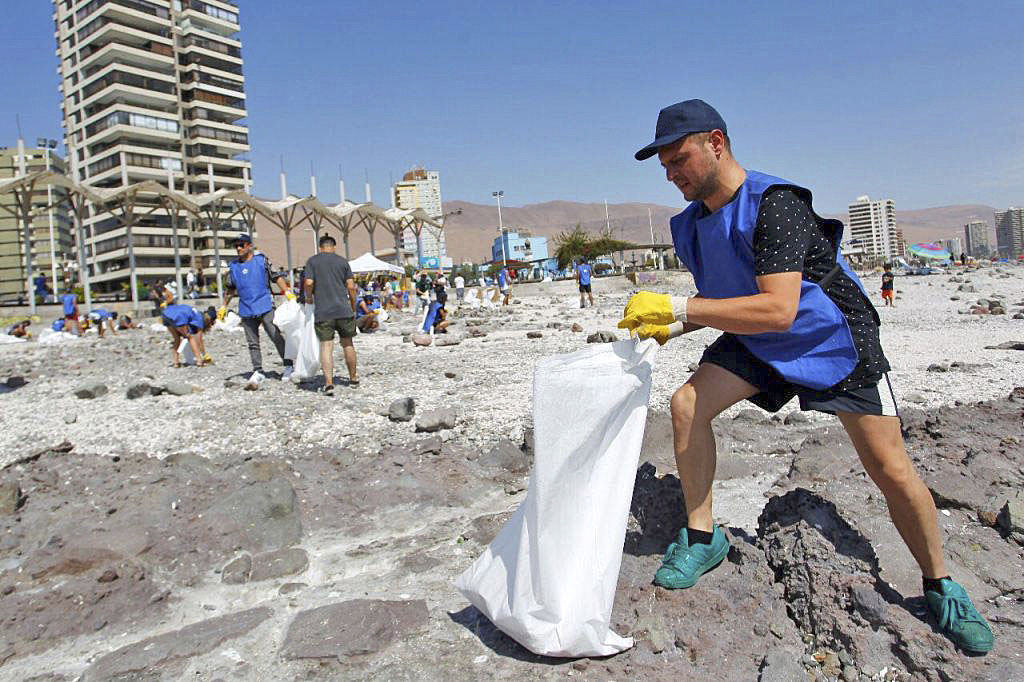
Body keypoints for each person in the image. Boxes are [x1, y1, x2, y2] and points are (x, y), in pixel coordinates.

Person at [621, 99, 993, 654]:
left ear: (716, 143)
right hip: (762, 343)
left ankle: (941, 584)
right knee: (687, 405)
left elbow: (779, 309)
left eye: (680, 159)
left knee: (890, 468)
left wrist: (678, 308)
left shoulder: (776, 204)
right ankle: (703, 536)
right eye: (666, 166)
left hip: (833, 337)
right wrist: (664, 328)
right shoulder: (691, 225)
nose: (672, 174)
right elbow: (727, 302)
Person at [222, 233, 295, 387]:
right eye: (236, 246)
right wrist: (224, 306)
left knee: (276, 336)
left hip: (265, 305)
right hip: (246, 309)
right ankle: (258, 370)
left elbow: (276, 276)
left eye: (241, 245)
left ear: (249, 246)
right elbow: (229, 289)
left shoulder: (261, 260)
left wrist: (287, 292)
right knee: (252, 342)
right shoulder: (233, 267)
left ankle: (288, 365)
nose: (238, 248)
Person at [303, 234, 359, 395]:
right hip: (343, 309)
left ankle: (328, 383)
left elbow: (308, 282)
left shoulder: (312, 261)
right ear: (334, 247)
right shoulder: (342, 262)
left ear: (320, 247)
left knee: (326, 346)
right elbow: (351, 287)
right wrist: (353, 306)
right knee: (348, 344)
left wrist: (308, 297)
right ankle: (353, 378)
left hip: (323, 311)